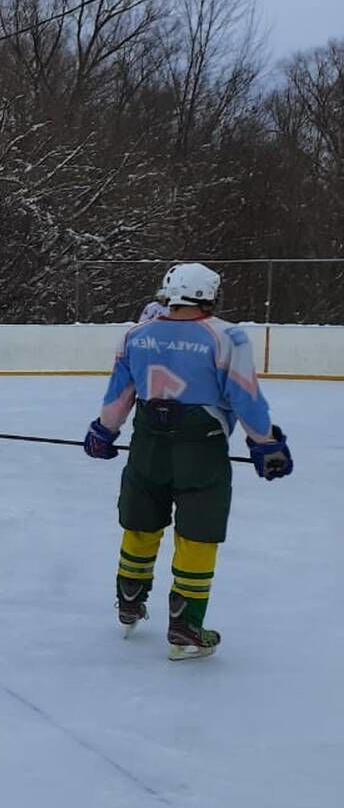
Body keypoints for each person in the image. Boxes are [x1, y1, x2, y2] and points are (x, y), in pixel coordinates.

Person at [82, 262, 293, 659]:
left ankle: (129, 599)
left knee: (141, 518)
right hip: (202, 446)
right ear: (211, 295)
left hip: (148, 441)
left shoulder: (135, 335)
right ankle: (185, 625)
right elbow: (245, 397)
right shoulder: (227, 336)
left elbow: (119, 394)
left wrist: (103, 432)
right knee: (199, 530)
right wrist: (266, 444)